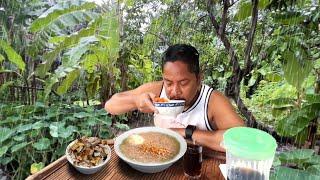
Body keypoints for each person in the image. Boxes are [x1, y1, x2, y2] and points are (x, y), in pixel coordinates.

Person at [105, 44, 244, 152]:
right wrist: (135, 101)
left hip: (197, 165)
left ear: (198, 78)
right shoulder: (157, 90)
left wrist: (185, 133)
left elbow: (242, 139)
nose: (174, 91)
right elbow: (110, 106)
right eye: (169, 83)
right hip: (159, 158)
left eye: (183, 83)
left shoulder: (212, 101)